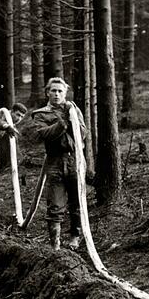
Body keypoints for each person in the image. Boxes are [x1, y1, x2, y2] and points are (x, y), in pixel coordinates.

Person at [31, 77, 87, 250]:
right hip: (55, 161)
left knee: (77, 201)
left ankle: (75, 237)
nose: (56, 94)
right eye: (53, 91)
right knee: (55, 204)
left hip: (75, 159)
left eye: (60, 91)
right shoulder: (41, 114)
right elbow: (42, 134)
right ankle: (55, 244)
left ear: (65, 93)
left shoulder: (73, 109)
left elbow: (83, 133)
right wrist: (61, 124)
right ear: (47, 92)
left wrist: (72, 120)